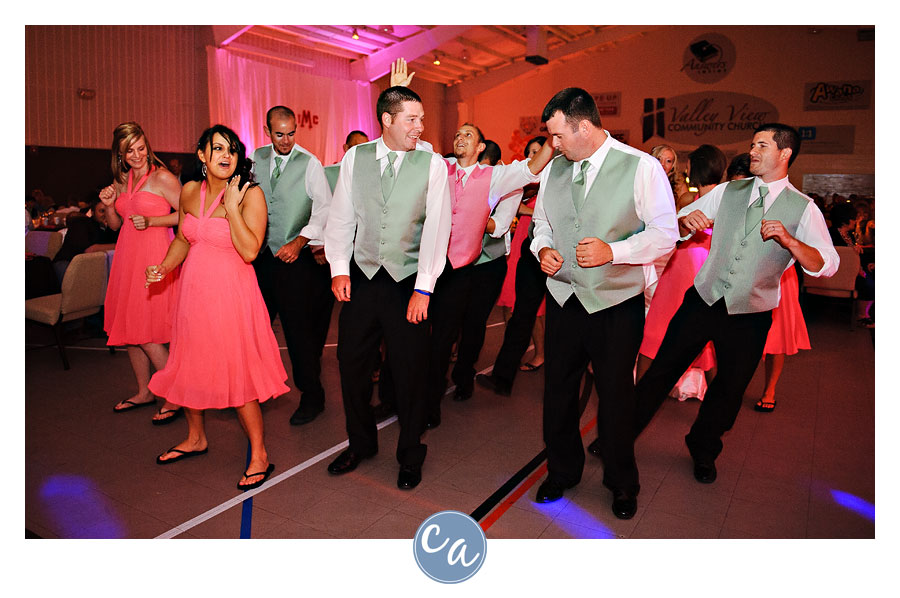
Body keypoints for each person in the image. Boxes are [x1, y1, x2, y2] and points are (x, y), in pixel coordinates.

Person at [634, 123, 839, 487]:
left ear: (785, 154)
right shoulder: (729, 190)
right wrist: (685, 223)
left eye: (762, 145)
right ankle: (620, 436)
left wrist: (792, 242)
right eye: (752, 145)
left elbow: (827, 264)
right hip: (702, 300)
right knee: (661, 371)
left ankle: (702, 446)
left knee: (729, 392)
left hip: (750, 314)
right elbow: (675, 226)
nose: (753, 151)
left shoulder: (804, 209)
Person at [531, 88, 678, 519]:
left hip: (614, 303)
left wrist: (615, 251)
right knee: (558, 392)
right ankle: (561, 471)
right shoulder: (556, 169)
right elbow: (542, 223)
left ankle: (621, 481)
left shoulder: (641, 167)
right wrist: (542, 249)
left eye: (558, 135)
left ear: (583, 125)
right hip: (563, 296)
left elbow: (665, 232)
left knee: (615, 397)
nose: (552, 146)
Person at [323, 85, 451, 490]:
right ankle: (361, 443)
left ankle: (411, 452)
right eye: (412, 119)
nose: (421, 127)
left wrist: (425, 287)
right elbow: (342, 216)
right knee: (351, 365)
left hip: (408, 282)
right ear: (387, 120)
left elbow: (437, 228)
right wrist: (339, 268)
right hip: (362, 278)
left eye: (422, 119)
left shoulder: (431, 165)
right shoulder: (354, 158)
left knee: (411, 371)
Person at [146, 125, 288, 491]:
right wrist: (162, 267)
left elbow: (250, 251)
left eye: (233, 150)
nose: (226, 156)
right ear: (202, 155)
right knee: (191, 365)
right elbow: (183, 239)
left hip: (231, 296)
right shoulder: (190, 192)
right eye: (218, 149)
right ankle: (196, 437)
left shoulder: (249, 195)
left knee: (237, 374)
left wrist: (231, 209)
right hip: (193, 295)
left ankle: (260, 454)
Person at [422, 125, 552, 429]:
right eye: (457, 134)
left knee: (473, 325)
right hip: (447, 266)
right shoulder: (442, 167)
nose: (460, 138)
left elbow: (504, 220)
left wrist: (553, 133)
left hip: (485, 264)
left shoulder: (496, 179)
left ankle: (464, 376)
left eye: (468, 135)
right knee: (442, 332)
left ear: (481, 149)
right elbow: (413, 146)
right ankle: (432, 395)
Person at [251, 106, 334, 426]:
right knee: (255, 328)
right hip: (260, 260)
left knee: (298, 333)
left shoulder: (309, 163)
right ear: (267, 130)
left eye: (291, 133)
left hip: (294, 261)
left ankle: (312, 395)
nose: (285, 140)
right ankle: (253, 391)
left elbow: (323, 210)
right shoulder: (255, 159)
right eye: (279, 133)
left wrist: (300, 241)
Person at [99, 122, 184, 424]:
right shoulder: (122, 180)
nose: (137, 155)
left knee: (146, 333)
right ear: (120, 155)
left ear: (147, 145)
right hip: (127, 259)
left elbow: (187, 216)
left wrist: (152, 221)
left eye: (140, 147)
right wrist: (109, 206)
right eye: (129, 151)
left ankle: (175, 395)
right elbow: (115, 225)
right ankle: (144, 391)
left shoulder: (162, 177)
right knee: (130, 332)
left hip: (154, 258)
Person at [477, 136, 549, 395]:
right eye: (530, 152)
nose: (533, 157)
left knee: (554, 316)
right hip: (531, 251)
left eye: (538, 152)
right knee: (522, 315)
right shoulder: (529, 179)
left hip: (556, 253)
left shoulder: (556, 171)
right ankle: (503, 377)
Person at [51, 198, 119, 283]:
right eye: (102, 211)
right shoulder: (82, 223)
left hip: (91, 267)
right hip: (67, 263)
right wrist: (118, 246)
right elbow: (90, 250)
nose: (106, 214)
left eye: (109, 211)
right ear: (93, 213)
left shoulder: (112, 228)